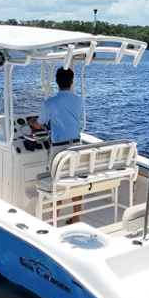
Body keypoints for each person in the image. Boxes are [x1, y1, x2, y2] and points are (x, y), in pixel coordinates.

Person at [29, 67, 84, 222]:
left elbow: (39, 125)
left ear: (56, 82)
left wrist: (31, 122)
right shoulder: (79, 100)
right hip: (76, 146)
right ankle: (76, 217)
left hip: (60, 149)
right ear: (72, 82)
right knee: (75, 181)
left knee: (57, 182)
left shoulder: (50, 103)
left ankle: (54, 218)